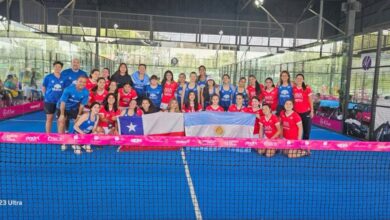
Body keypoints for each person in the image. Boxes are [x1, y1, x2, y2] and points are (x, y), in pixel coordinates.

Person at [57, 76, 89, 150]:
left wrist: (79, 115)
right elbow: (63, 103)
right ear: (76, 82)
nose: (82, 83)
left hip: (74, 108)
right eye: (80, 81)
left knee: (78, 122)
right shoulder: (68, 89)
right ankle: (62, 141)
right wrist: (62, 114)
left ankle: (75, 140)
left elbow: (81, 105)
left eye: (84, 82)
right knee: (61, 121)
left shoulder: (86, 92)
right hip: (62, 107)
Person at [42, 61, 65, 133]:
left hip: (60, 102)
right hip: (49, 101)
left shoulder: (64, 78)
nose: (57, 68)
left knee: (60, 120)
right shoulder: (48, 77)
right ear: (53, 67)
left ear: (61, 68)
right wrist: (45, 96)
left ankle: (60, 136)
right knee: (49, 118)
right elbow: (43, 87)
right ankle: (48, 135)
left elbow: (65, 89)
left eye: (59, 67)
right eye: (56, 66)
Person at [293, 74, 314, 140]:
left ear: (303, 80)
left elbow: (310, 100)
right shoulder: (293, 89)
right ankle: (296, 146)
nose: (299, 80)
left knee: (306, 131)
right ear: (295, 80)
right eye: (298, 78)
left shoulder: (307, 88)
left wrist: (312, 111)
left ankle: (304, 148)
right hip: (296, 113)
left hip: (306, 113)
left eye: (301, 78)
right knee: (296, 131)